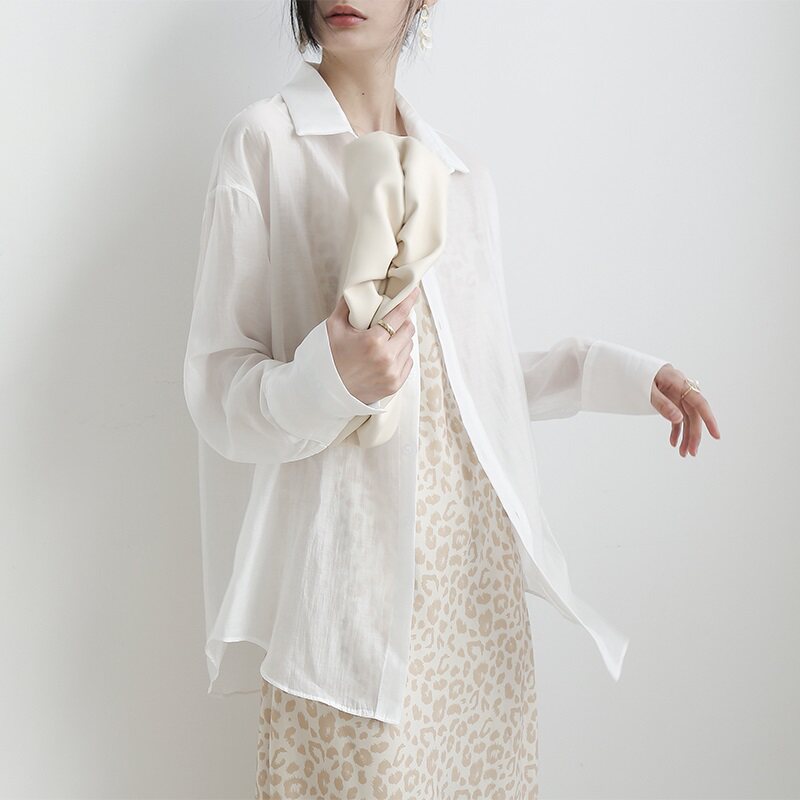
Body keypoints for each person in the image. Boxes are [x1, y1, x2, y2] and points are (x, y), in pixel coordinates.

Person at [182, 2, 721, 797]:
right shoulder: (263, 144)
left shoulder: (460, 176)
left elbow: (471, 383)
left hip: (476, 593)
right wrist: (330, 381)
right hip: (348, 599)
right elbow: (218, 390)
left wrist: (620, 374)